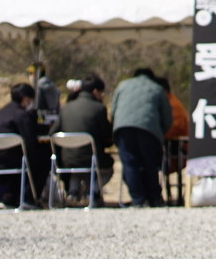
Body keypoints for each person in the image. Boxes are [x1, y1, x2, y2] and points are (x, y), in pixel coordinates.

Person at [112, 67, 172, 207]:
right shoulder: (157, 89)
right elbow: (167, 117)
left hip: (123, 128)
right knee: (149, 163)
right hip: (149, 130)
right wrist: (161, 133)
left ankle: (138, 199)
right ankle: (154, 198)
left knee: (129, 163)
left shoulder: (122, 86)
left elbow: (114, 111)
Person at [57, 75, 114, 206]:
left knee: (77, 164)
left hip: (67, 159)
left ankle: (73, 193)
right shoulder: (99, 108)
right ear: (95, 91)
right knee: (103, 164)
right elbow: (107, 136)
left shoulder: (66, 107)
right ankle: (91, 191)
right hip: (91, 158)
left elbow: (53, 132)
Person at [0, 83, 46, 208]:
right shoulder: (22, 115)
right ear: (25, 99)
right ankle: (29, 198)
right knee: (43, 160)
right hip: (14, 160)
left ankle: (8, 197)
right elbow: (30, 142)